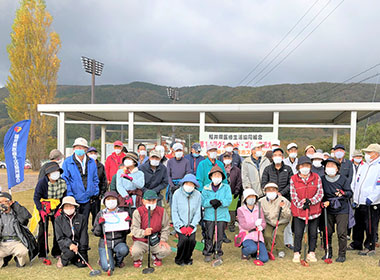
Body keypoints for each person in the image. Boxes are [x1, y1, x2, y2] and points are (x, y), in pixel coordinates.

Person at [290, 156, 323, 263]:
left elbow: (320, 193)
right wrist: (301, 204)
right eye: (303, 166)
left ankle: (311, 252)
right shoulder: (294, 178)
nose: (305, 168)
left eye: (307, 166)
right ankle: (297, 252)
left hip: (313, 211)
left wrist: (311, 201)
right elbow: (293, 195)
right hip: (299, 211)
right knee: (298, 233)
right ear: (299, 167)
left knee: (313, 233)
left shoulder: (316, 177)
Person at [261, 147, 294, 250]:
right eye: (275, 155)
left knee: (285, 221)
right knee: (271, 220)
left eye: (279, 155)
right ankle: (271, 244)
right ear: (272, 157)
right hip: (270, 198)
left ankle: (288, 242)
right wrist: (271, 193)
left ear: (283, 157)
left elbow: (291, 184)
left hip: (284, 198)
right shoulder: (268, 169)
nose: (277, 157)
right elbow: (263, 183)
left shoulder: (288, 169)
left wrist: (281, 193)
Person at [350, 144, 380, 256]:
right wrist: (355, 198)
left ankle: (369, 246)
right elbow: (356, 182)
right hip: (359, 201)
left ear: (376, 154)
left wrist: (372, 198)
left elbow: (379, 186)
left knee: (370, 225)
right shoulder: (363, 166)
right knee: (358, 224)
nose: (366, 155)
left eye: (369, 153)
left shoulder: (378, 167)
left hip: (371, 203)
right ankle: (357, 243)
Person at [321, 158, 353, 262]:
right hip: (328, 208)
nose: (330, 168)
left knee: (341, 233)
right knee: (327, 232)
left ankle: (342, 254)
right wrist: (323, 202)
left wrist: (343, 193)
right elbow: (320, 193)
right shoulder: (322, 179)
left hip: (342, 208)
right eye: (328, 166)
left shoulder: (343, 179)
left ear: (337, 168)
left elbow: (349, 193)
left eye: (332, 166)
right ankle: (328, 253)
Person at [61, 137, 99, 226]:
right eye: (77, 147)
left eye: (82, 148)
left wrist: (94, 191)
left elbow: (95, 178)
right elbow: (65, 179)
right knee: (74, 223)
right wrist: (70, 195)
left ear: (86, 149)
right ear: (73, 149)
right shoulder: (67, 162)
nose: (79, 150)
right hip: (74, 198)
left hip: (88, 198)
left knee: (84, 222)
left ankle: (83, 239)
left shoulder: (91, 162)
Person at [33, 162, 67, 260]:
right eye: (53, 172)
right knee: (43, 230)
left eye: (57, 171)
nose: (56, 173)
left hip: (57, 207)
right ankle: (42, 253)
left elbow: (64, 197)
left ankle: (56, 251)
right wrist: (41, 210)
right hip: (44, 207)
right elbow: (36, 197)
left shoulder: (62, 182)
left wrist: (60, 209)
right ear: (48, 174)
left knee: (58, 230)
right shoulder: (42, 182)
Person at [130, 190, 171, 268]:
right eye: (149, 200)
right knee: (135, 251)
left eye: (154, 200)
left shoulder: (162, 211)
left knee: (167, 250)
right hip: (141, 240)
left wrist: (163, 239)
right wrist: (143, 232)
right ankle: (138, 259)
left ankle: (156, 256)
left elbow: (165, 227)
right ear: (143, 201)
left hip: (156, 239)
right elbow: (134, 229)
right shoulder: (137, 212)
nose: (151, 203)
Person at [201, 165, 232, 262]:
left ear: (222, 177)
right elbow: (203, 202)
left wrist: (221, 202)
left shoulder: (226, 187)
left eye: (219, 175)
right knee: (209, 235)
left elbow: (229, 200)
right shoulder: (206, 188)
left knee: (219, 235)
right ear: (211, 176)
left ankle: (218, 251)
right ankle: (208, 252)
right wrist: (210, 202)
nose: (217, 177)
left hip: (222, 215)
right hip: (209, 215)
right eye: (215, 175)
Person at [93, 191, 129, 271]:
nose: (111, 201)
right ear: (105, 201)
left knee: (124, 250)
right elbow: (96, 233)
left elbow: (127, 232)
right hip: (105, 243)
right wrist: (100, 225)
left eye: (113, 199)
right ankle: (104, 259)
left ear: (117, 200)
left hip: (119, 241)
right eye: (108, 199)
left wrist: (128, 224)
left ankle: (118, 261)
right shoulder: (101, 214)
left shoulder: (122, 213)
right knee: (108, 268)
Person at [171, 174, 202, 266]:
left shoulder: (198, 195)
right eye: (187, 183)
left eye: (191, 184)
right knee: (183, 241)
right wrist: (180, 226)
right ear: (183, 183)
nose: (189, 186)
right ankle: (179, 258)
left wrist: (192, 225)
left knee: (191, 241)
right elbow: (174, 211)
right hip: (180, 225)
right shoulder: (177, 194)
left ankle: (188, 258)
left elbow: (197, 211)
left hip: (192, 225)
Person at [0, 192, 35, 268]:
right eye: (0, 202)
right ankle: (3, 261)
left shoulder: (17, 213)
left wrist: (15, 205)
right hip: (2, 243)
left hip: (16, 242)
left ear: (10, 202)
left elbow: (26, 216)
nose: (2, 204)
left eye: (4, 201)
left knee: (22, 253)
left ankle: (19, 260)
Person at [55, 196, 89, 268]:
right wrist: (70, 244)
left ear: (75, 207)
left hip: (79, 245)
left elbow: (84, 235)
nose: (69, 208)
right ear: (63, 208)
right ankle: (62, 259)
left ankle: (74, 258)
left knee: (82, 264)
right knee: (70, 253)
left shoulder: (81, 218)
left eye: (71, 206)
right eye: (66, 206)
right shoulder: (58, 220)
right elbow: (60, 238)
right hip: (66, 245)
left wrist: (83, 251)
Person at [259, 183, 291, 258]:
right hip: (269, 221)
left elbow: (288, 215)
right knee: (267, 235)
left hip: (281, 221)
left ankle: (280, 249)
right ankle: (268, 250)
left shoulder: (283, 200)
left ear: (277, 191)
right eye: (268, 190)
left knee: (278, 233)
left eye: (273, 190)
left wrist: (283, 207)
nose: (271, 192)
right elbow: (259, 214)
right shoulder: (261, 201)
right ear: (265, 192)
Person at [237, 189, 268, 262]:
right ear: (245, 199)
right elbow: (244, 225)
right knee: (252, 248)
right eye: (249, 197)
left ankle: (254, 253)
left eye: (253, 196)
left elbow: (263, 222)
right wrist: (255, 224)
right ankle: (245, 252)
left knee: (264, 259)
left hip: (258, 236)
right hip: (247, 235)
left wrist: (262, 227)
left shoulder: (259, 208)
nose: (252, 198)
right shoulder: (240, 210)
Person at [87, 147, 108, 227]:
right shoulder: (85, 165)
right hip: (86, 193)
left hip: (97, 194)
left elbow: (103, 180)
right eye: (90, 153)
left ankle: (95, 227)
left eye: (94, 153)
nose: (93, 155)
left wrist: (102, 193)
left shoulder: (100, 166)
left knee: (96, 212)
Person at [223, 152, 242, 233]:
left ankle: (231, 225)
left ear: (231, 159)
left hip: (233, 192)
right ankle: (224, 225)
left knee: (232, 210)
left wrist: (237, 190)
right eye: (225, 158)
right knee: (223, 209)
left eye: (229, 158)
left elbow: (239, 181)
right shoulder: (221, 168)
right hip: (223, 193)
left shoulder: (236, 170)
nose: (227, 159)